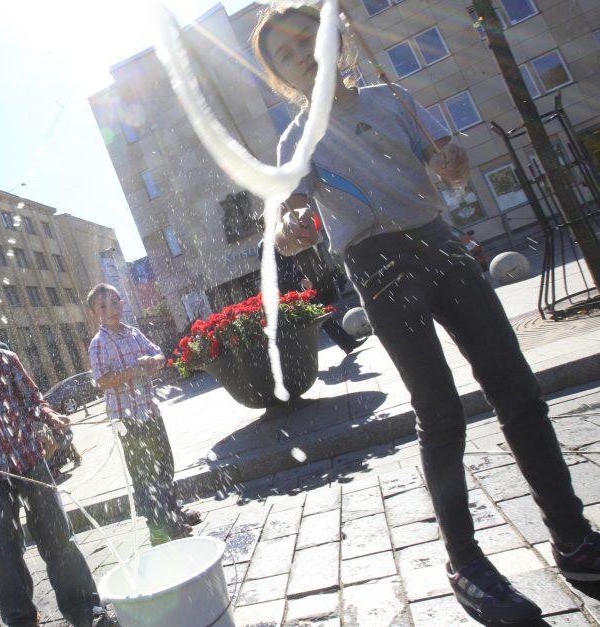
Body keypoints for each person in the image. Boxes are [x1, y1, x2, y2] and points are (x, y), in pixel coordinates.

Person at [252, 5, 599, 624]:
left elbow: (442, 155)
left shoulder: (393, 98)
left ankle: (572, 538)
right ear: (279, 77)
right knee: (439, 414)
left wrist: (452, 161)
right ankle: (466, 564)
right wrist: (291, 229)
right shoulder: (295, 140)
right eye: (286, 54)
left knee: (517, 392)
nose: (304, 52)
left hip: (440, 244)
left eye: (311, 37)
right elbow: (289, 212)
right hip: (380, 269)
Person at [0, 285, 111, 627]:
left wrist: (49, 415)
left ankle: (86, 610)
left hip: (29, 461)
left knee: (58, 535)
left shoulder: (6, 360)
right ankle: (21, 620)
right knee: (5, 551)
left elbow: (33, 399)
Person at [86, 283, 202, 546]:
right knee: (143, 474)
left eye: (114, 302)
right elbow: (101, 381)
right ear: (94, 314)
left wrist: (155, 361)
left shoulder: (134, 333)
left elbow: (159, 354)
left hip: (149, 411)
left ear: (122, 303)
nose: (110, 310)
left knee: (164, 464)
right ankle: (158, 527)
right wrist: (133, 370)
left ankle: (174, 511)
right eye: (102, 307)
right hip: (127, 420)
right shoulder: (99, 343)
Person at [261, 241, 365, 354]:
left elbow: (288, 265)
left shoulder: (274, 241)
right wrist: (299, 280)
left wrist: (302, 278)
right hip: (289, 293)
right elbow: (278, 269)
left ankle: (347, 343)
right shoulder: (266, 244)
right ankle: (346, 344)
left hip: (294, 290)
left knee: (320, 315)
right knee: (312, 320)